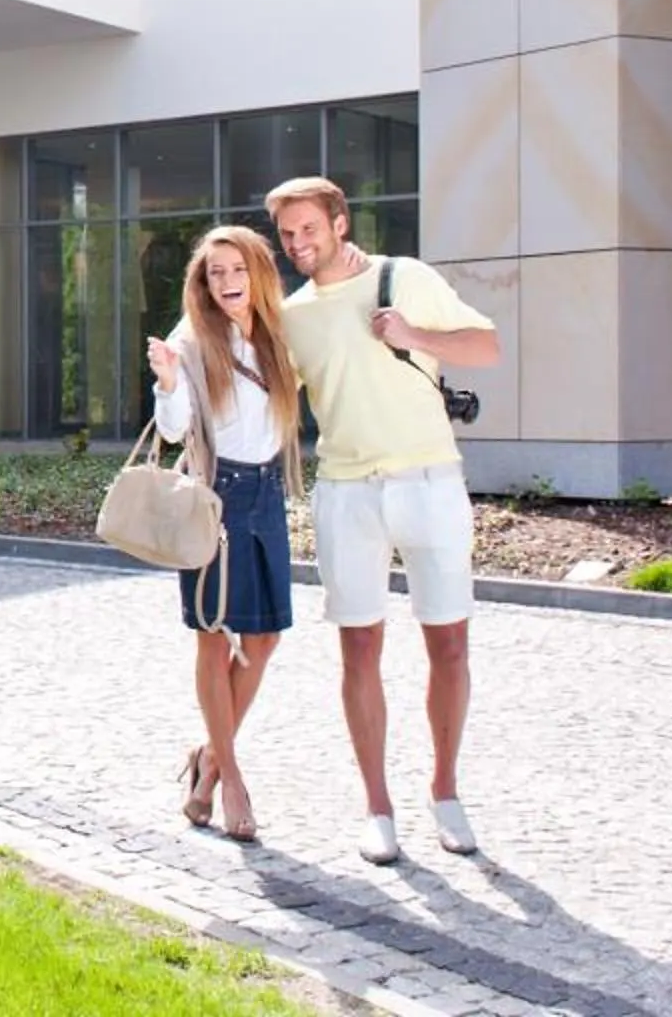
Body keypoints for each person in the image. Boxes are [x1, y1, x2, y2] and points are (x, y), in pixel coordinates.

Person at [265, 176, 501, 866]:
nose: (299, 243)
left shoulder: (406, 278)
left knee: (449, 645)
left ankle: (446, 792)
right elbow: (269, 393)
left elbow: (486, 347)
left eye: (309, 227)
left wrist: (412, 332)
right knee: (359, 650)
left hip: (430, 479)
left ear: (340, 222)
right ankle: (377, 806)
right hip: (347, 492)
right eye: (287, 234)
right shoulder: (294, 315)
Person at [146, 225, 304, 845]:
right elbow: (175, 425)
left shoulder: (278, 333)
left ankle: (208, 754)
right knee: (214, 639)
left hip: (267, 496)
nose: (228, 282)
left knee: (262, 641)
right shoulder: (193, 336)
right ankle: (229, 779)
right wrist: (165, 378)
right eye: (216, 274)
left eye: (237, 270)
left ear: (258, 273)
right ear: (203, 283)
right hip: (216, 499)